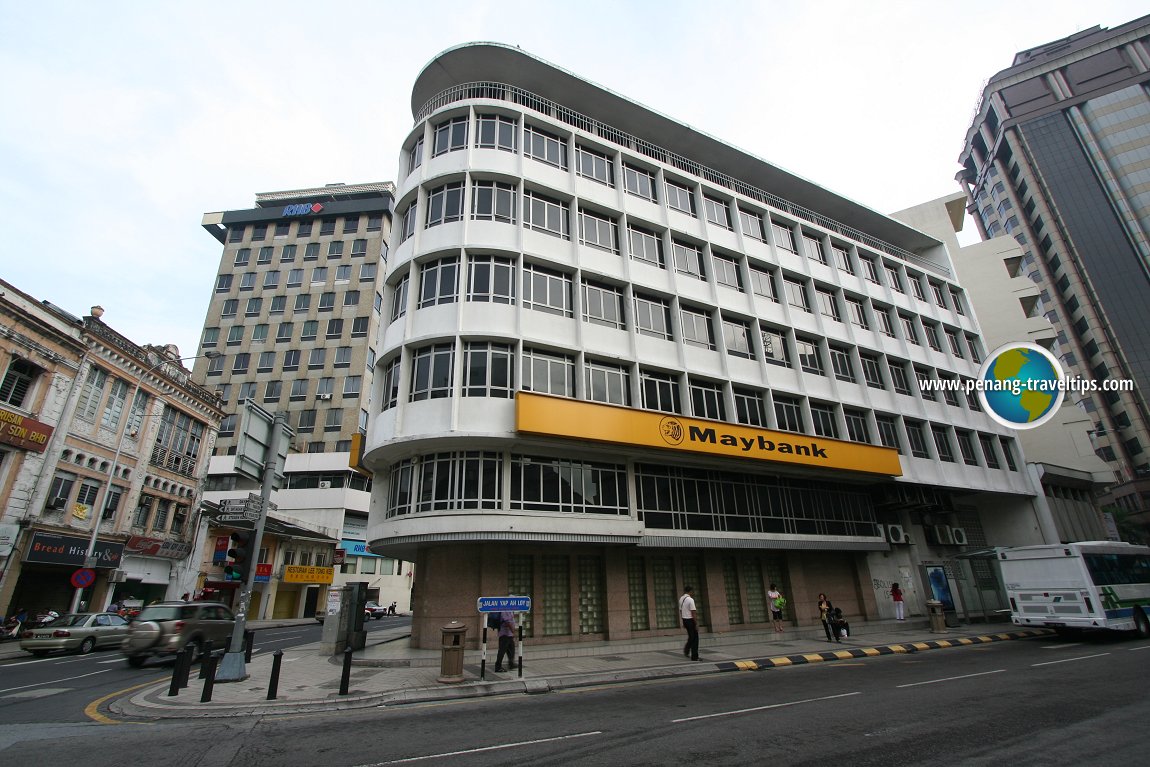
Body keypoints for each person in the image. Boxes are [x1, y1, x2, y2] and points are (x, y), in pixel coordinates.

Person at [679, 585, 699, 661]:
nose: (693, 593)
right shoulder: (690, 600)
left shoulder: (681, 599)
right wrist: (696, 623)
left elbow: (681, 611)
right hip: (690, 620)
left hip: (685, 620)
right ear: (690, 591)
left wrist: (683, 621)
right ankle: (694, 656)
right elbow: (693, 612)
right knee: (695, 638)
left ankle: (686, 650)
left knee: (691, 636)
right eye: (692, 591)